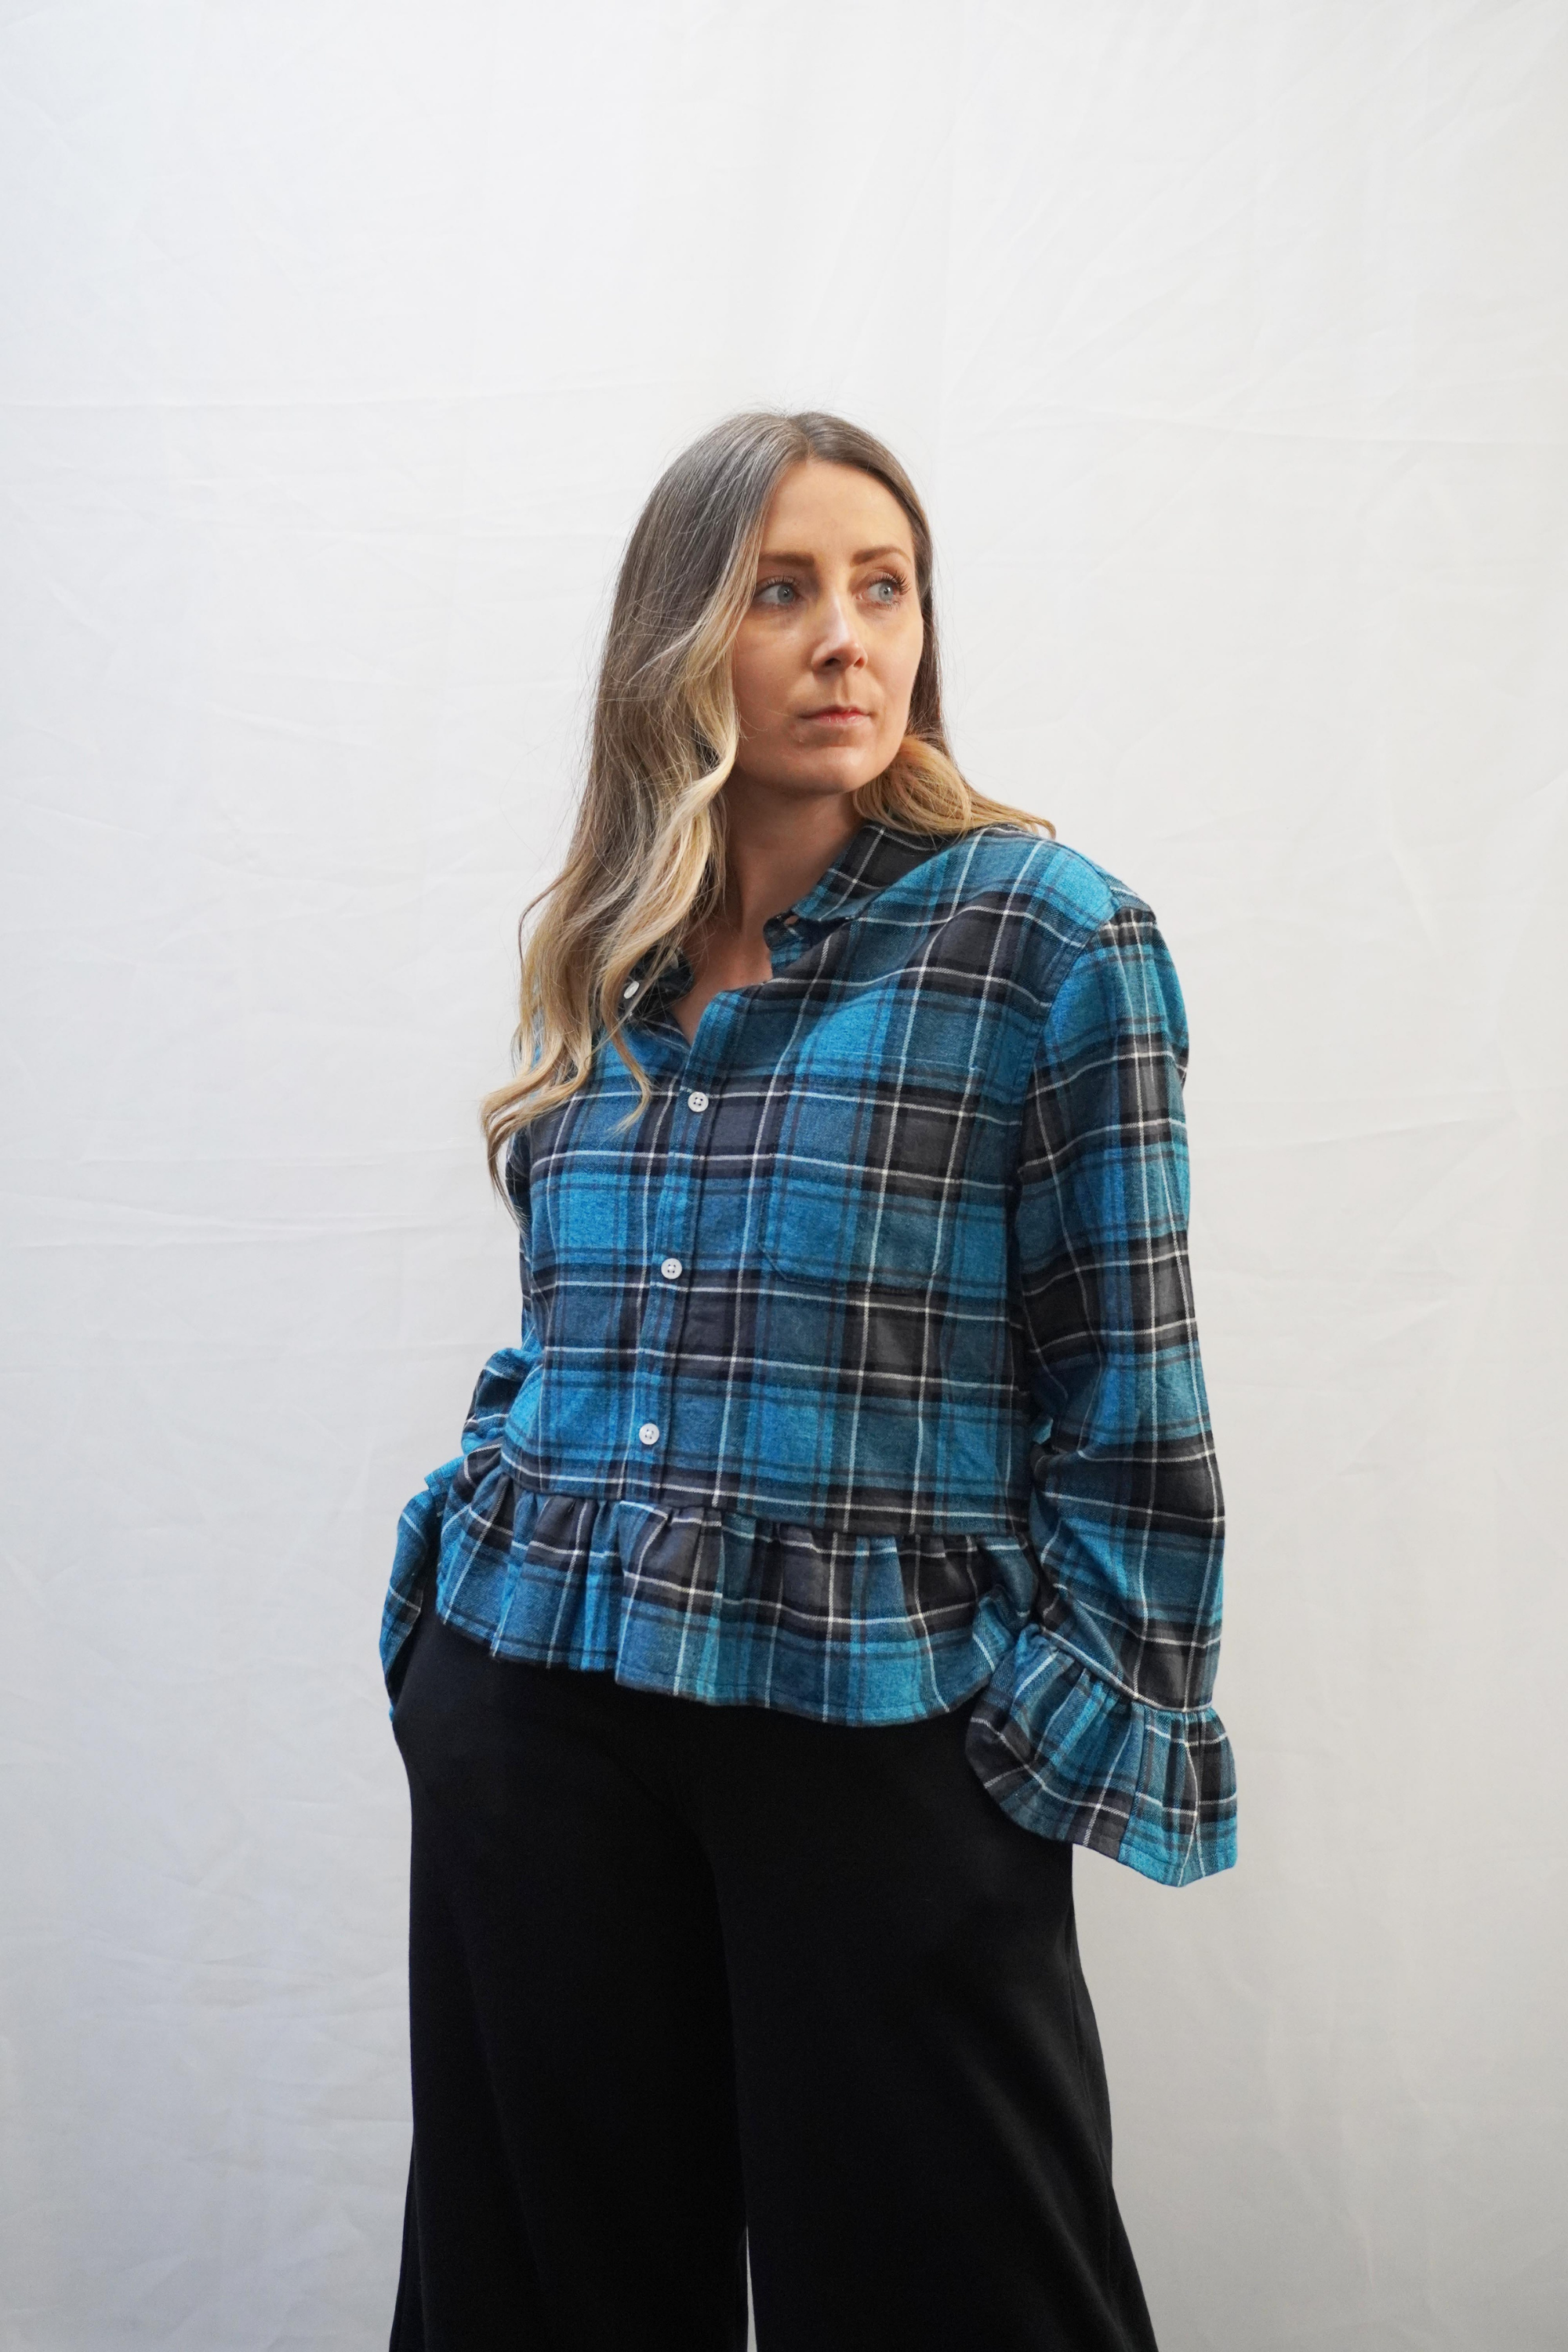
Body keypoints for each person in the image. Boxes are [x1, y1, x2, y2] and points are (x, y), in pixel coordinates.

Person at [380, 409, 1235, 2352]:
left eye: (884, 587)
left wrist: (1015, 1774)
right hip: (539, 1711)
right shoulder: (613, 952)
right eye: (780, 592)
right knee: (539, 2302)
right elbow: (573, 1328)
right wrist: (448, 1637)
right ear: (678, 640)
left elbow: (1132, 1400)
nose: (848, 639)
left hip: (877, 1732)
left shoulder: (1046, 941)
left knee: (958, 2292)